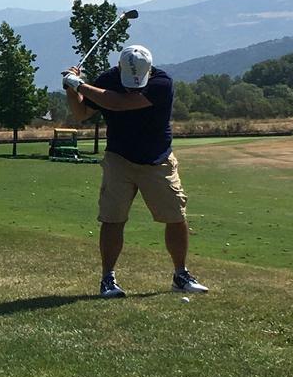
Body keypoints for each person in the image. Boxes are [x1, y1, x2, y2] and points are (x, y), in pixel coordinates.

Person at [63, 42, 207, 299]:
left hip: (157, 160)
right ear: (119, 67)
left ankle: (180, 275)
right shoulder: (108, 79)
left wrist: (79, 85)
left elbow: (117, 103)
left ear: (149, 70)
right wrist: (71, 89)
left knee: (175, 216)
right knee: (112, 218)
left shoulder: (162, 83)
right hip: (119, 159)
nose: (132, 85)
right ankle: (108, 279)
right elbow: (81, 113)